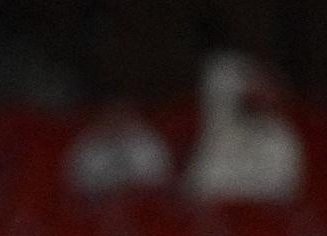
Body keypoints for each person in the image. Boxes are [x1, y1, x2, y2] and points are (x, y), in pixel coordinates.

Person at [185, 52, 303, 204]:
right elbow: (201, 187)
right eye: (250, 84)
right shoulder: (218, 135)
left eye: (264, 87)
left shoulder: (281, 139)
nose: (257, 93)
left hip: (260, 215)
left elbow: (281, 192)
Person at [65, 102, 173, 198]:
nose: (117, 120)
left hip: (140, 204)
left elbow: (159, 180)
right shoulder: (88, 143)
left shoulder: (148, 142)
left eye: (122, 114)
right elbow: (76, 182)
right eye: (112, 116)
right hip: (99, 206)